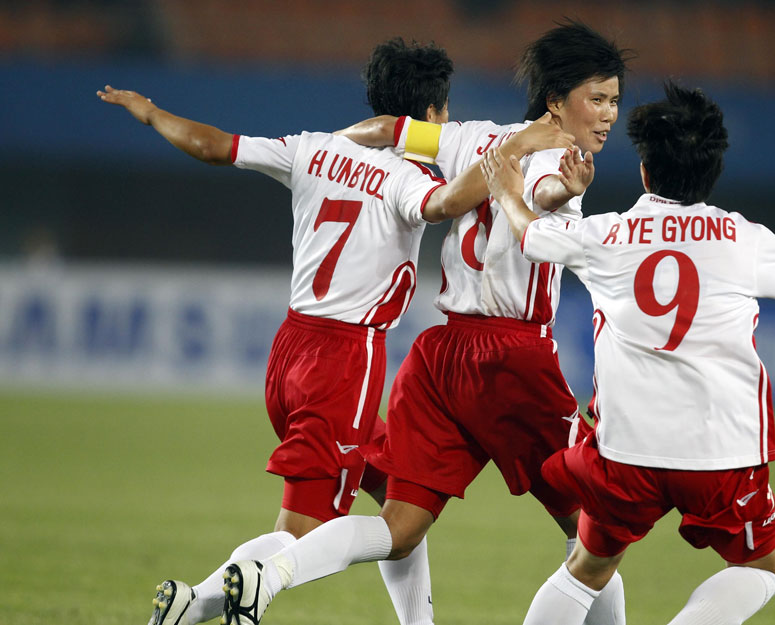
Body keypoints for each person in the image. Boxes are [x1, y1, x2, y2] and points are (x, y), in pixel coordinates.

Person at [97, 38, 573, 625]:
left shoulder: (311, 147)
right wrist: (519, 145)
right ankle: (196, 602)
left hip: (289, 351)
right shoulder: (403, 177)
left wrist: (151, 113)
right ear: (431, 114)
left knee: (398, 500)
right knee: (301, 529)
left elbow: (214, 145)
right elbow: (447, 203)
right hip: (344, 362)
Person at [217, 21, 632, 625]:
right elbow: (541, 192)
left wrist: (334, 146)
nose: (609, 114)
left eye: (614, 100)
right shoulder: (554, 158)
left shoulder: (466, 136)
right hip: (512, 359)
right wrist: (555, 195)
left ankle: (272, 572)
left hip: (441, 359)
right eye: (596, 98)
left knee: (399, 528)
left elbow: (388, 129)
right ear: (555, 100)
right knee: (595, 531)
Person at [480, 80, 775, 625]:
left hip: (627, 452)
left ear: (646, 171)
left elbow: (532, 236)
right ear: (713, 171)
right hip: (721, 453)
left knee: (587, 569)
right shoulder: (745, 238)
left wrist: (507, 191)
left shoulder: (608, 234)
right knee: (763, 567)